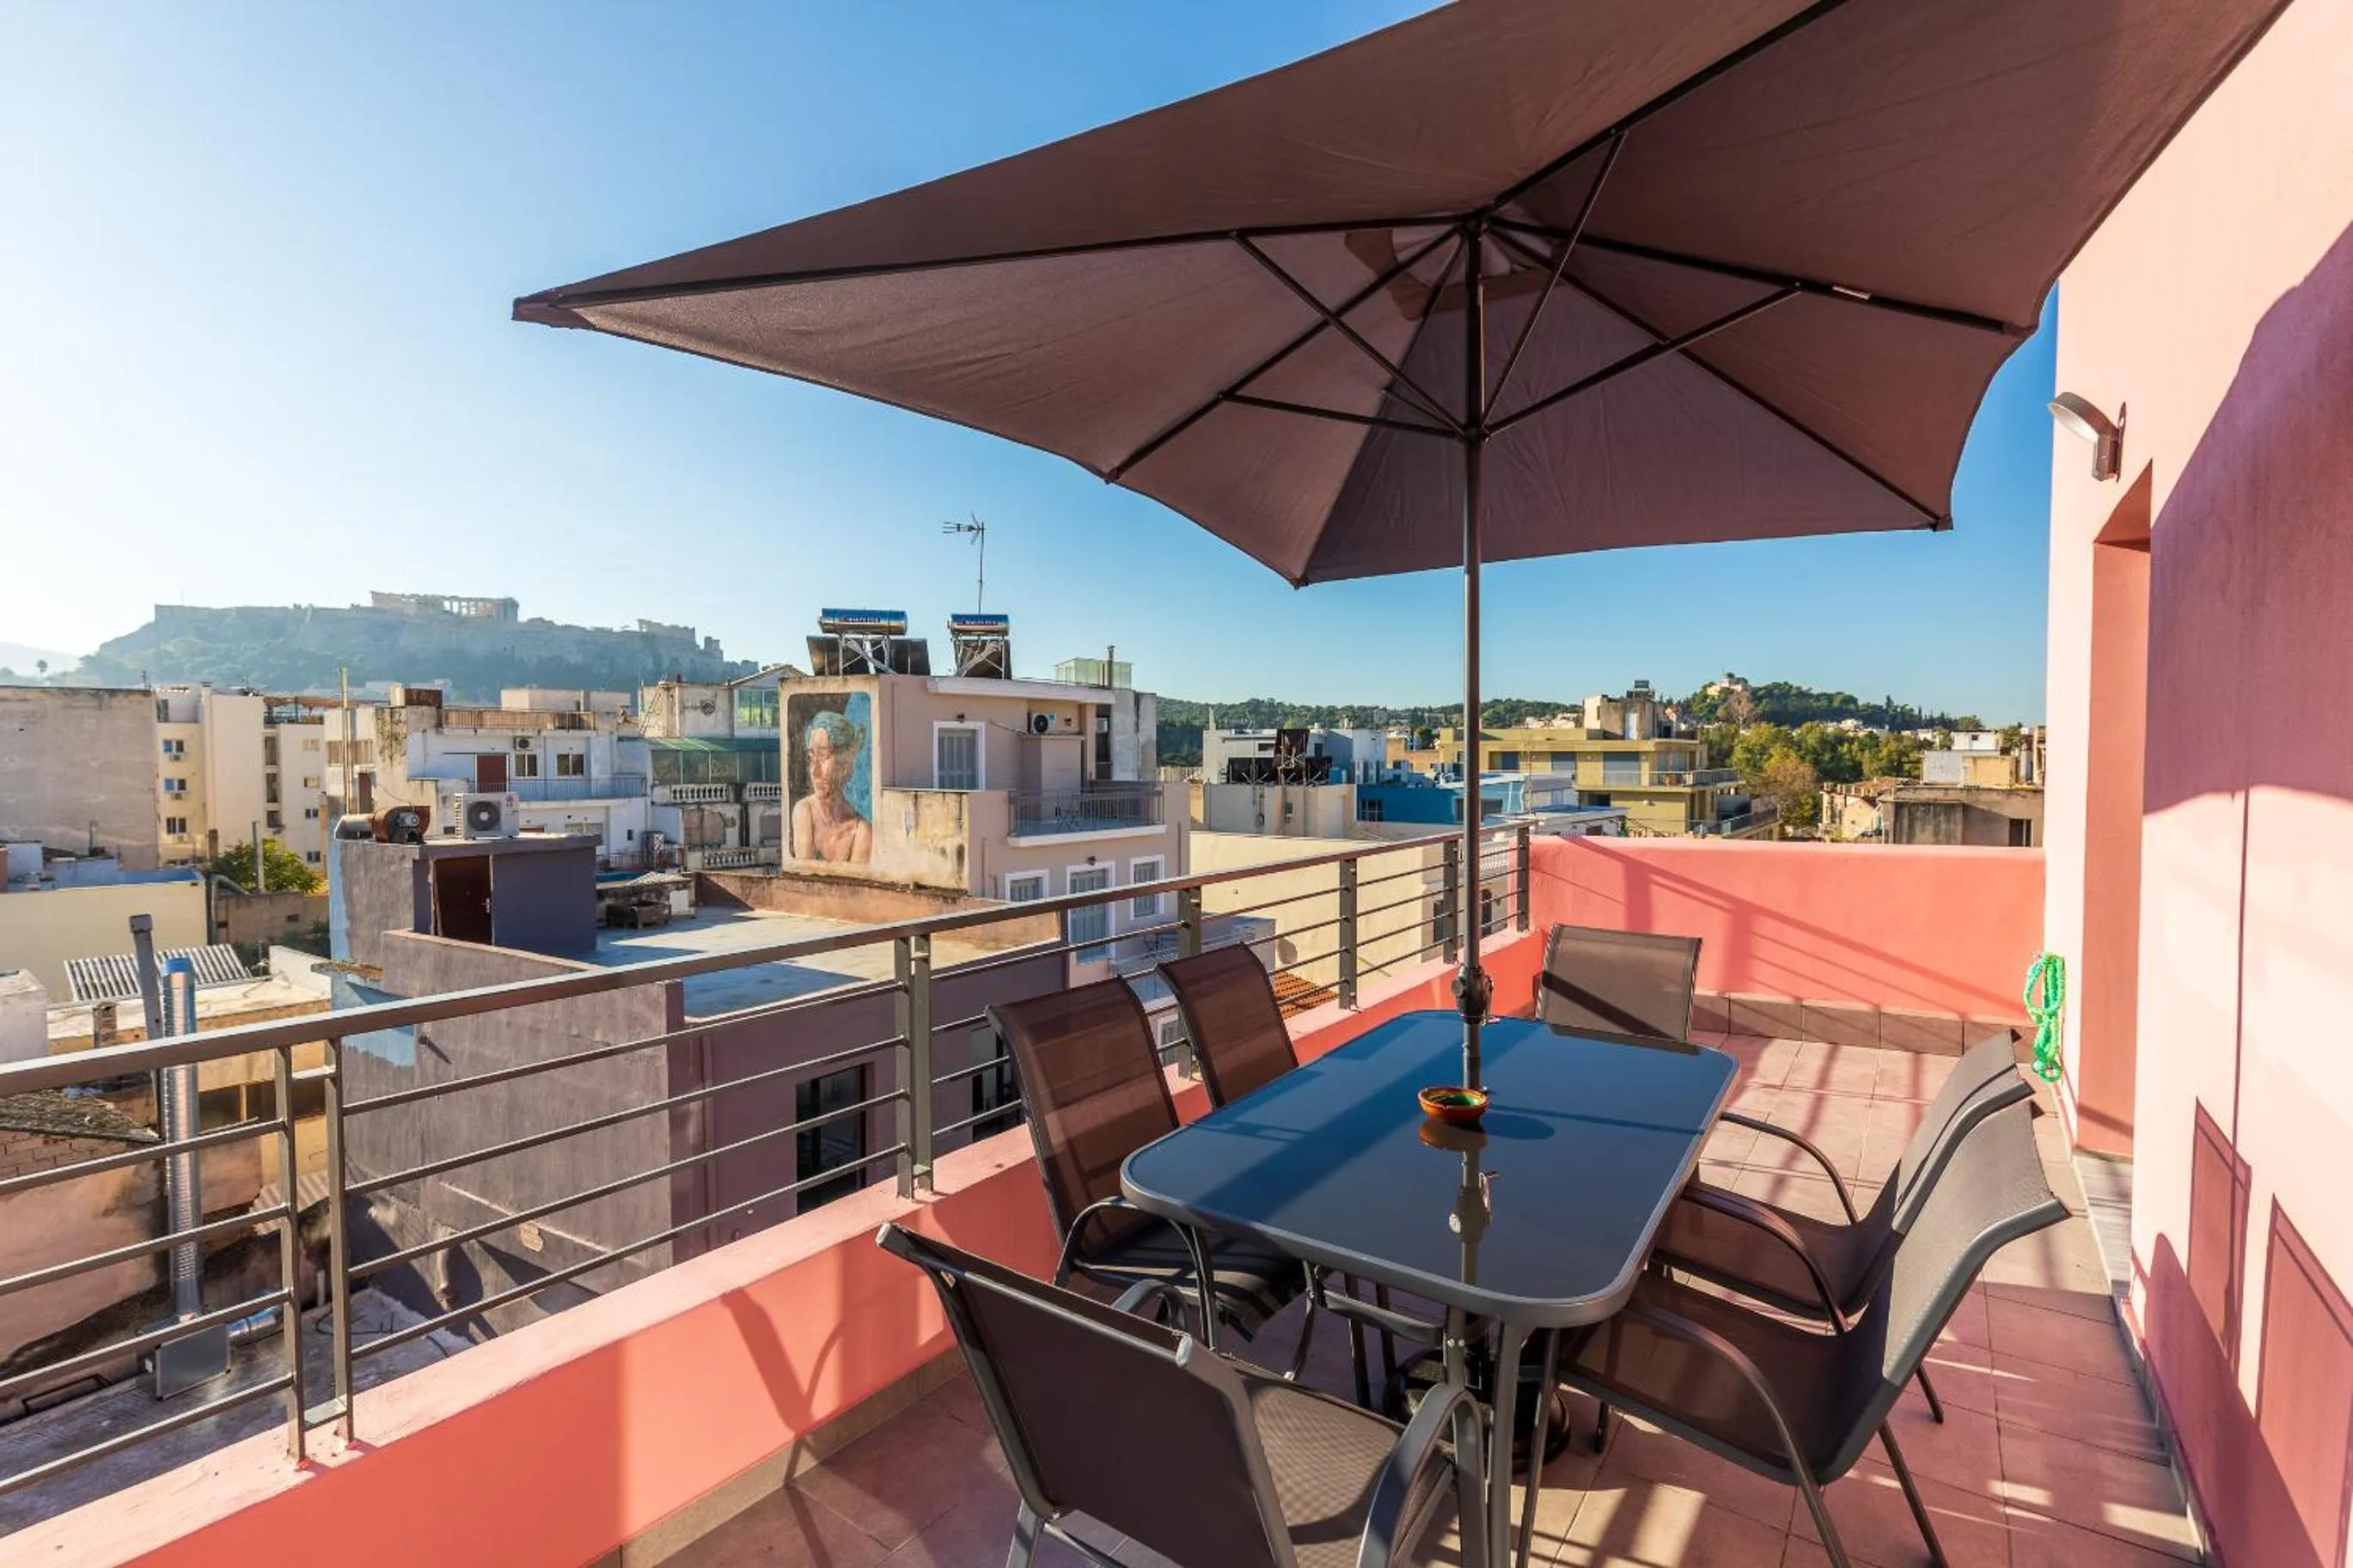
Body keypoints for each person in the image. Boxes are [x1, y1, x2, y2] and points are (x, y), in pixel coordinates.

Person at [792, 710, 872, 863]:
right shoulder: (804, 811)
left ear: (845, 762)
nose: (815, 771)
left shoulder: (861, 831)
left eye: (823, 756)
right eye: (811, 757)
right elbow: (804, 880)